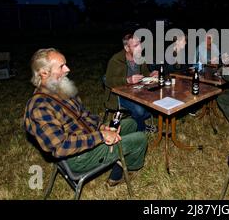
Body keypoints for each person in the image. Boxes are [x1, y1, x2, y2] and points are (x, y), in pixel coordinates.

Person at [23, 48, 148, 187]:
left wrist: (102, 127)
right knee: (140, 139)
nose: (67, 69)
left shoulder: (60, 89)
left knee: (131, 123)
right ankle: (122, 172)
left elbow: (83, 115)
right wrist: (101, 136)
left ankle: (118, 158)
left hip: (87, 136)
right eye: (61, 66)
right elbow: (60, 147)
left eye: (66, 64)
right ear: (44, 73)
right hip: (78, 157)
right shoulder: (39, 107)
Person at [105, 34, 158, 133]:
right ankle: (141, 129)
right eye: (136, 45)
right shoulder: (116, 60)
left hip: (138, 91)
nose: (140, 48)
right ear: (127, 48)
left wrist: (151, 75)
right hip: (120, 95)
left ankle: (133, 121)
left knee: (157, 102)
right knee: (139, 110)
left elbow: (145, 74)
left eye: (140, 44)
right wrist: (127, 80)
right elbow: (108, 80)